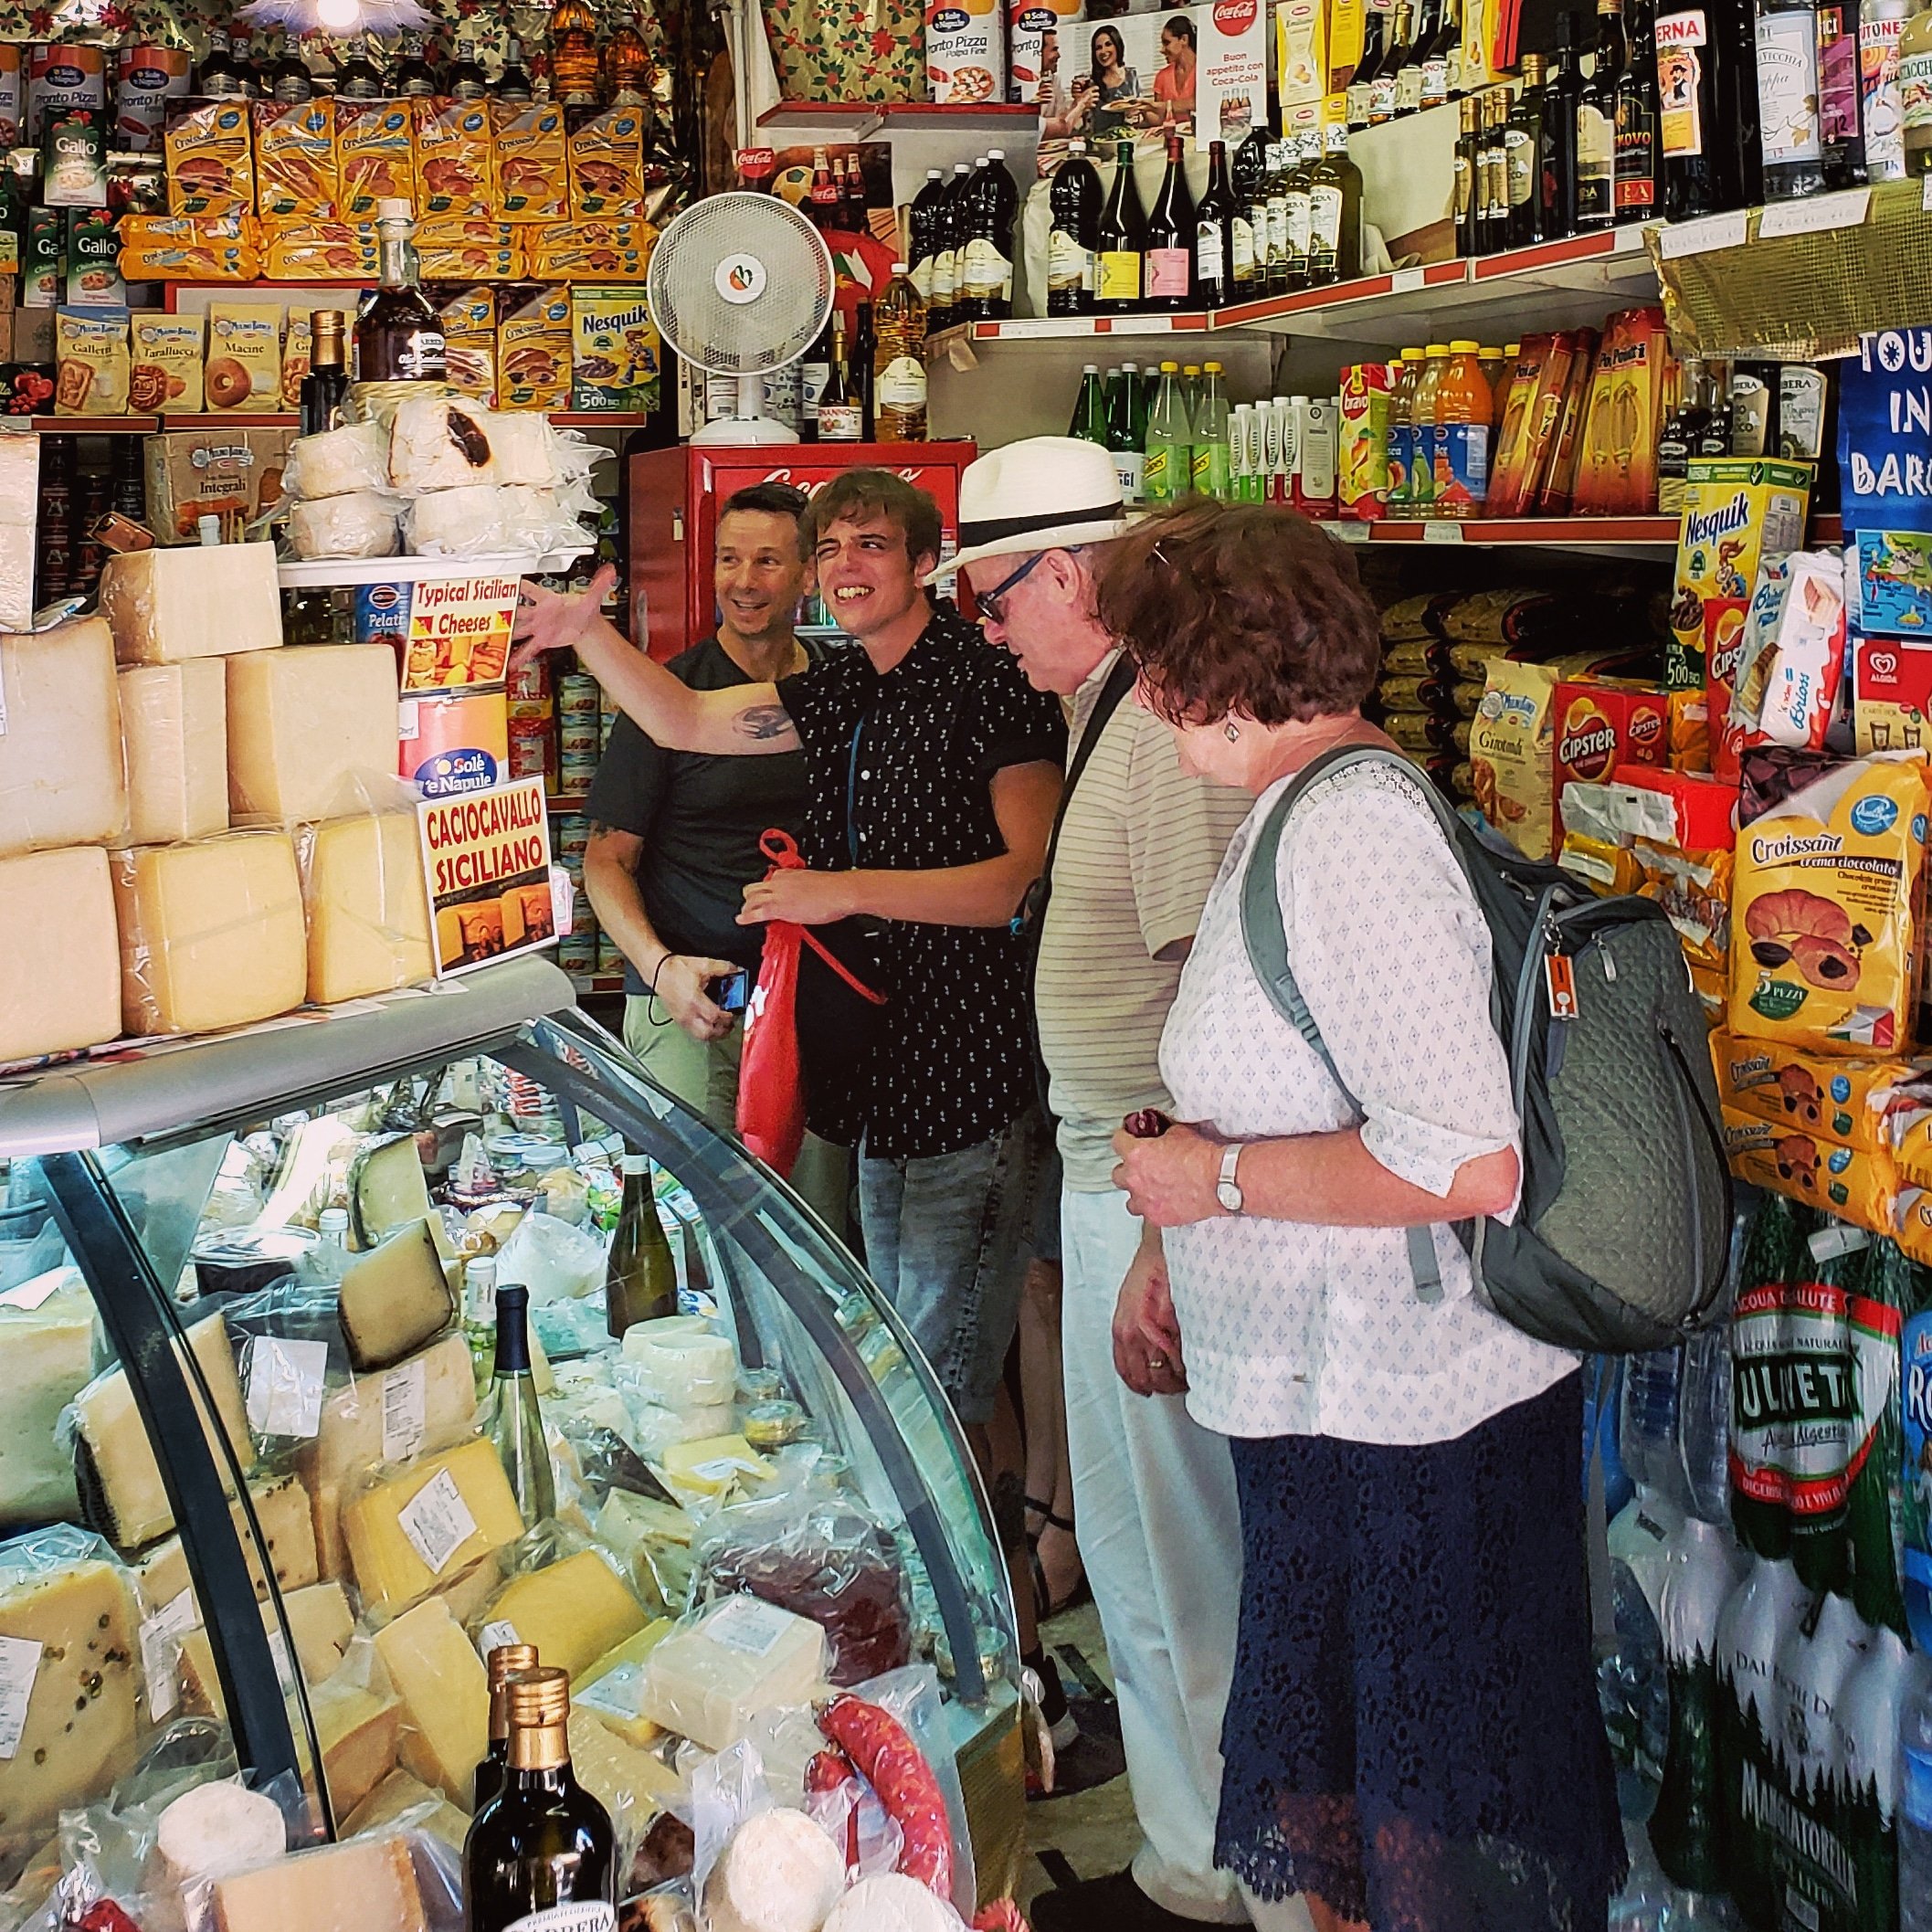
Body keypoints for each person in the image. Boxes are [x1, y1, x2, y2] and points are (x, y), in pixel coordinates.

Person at [1102, 499, 1626, 1932]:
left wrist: (1205, 1183)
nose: (1146, 705)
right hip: (1341, 1420)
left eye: (1155, 669)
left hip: (1407, 1430)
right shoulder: (1300, 809)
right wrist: (1175, 1227)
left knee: (1425, 1840)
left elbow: (1465, 1161)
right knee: (1369, 1825)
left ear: (1208, 675)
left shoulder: (1351, 835)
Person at [515, 470, 1065, 1446]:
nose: (843, 568)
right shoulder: (843, 683)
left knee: (937, 1392)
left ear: (928, 564)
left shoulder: (992, 684)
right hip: (873, 1081)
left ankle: (999, 1587)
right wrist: (584, 633)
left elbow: (1017, 880)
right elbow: (686, 719)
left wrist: (839, 889)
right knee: (901, 1358)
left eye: (872, 547)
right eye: (831, 551)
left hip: (966, 1081)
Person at [945, 440, 1251, 1932]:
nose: (988, 629)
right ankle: (1187, 1858)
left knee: (1180, 1552)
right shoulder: (1105, 713)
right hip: (1115, 1177)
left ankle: (1224, 1876)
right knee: (1138, 1552)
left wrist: (1172, 1240)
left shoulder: (1164, 731)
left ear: (1066, 573)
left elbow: (1223, 999)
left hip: (1159, 1198)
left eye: (995, 598)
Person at [583, 482, 849, 1233]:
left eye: (767, 560)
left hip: (807, 1007)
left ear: (806, 575)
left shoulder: (836, 686)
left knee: (817, 1236)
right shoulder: (669, 692)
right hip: (696, 1006)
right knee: (692, 1229)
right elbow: (605, 860)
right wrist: (661, 968)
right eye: (728, 559)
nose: (743, 580)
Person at [1085, 23, 1141, 139]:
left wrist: (1136, 114)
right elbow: (1086, 122)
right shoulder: (1091, 83)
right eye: (1098, 48)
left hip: (1129, 137)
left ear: (1117, 46)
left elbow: (1140, 111)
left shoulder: (1131, 75)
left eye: (1108, 44)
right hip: (1101, 141)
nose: (1103, 51)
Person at [1151, 16, 1197, 132]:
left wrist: (1166, 106)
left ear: (1184, 40)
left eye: (1167, 43)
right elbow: (1158, 118)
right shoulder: (1161, 76)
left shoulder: (1205, 71)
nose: (1161, 49)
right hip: (1172, 139)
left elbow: (1199, 103)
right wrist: (1142, 108)